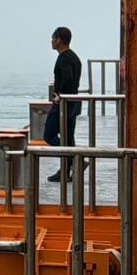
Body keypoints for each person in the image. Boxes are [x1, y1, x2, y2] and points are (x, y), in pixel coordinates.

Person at [44, 26, 83, 181]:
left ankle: (74, 160)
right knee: (68, 137)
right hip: (74, 102)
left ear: (59, 40)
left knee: (49, 134)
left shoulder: (64, 58)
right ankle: (65, 172)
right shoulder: (74, 57)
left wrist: (59, 95)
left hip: (64, 104)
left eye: (53, 38)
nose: (51, 41)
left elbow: (67, 77)